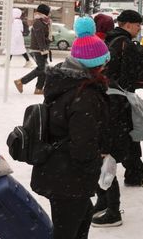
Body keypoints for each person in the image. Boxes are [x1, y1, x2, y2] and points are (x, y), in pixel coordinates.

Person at [30, 17, 110, 239]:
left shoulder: (63, 82)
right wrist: (98, 161)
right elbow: (82, 147)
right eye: (104, 62)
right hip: (68, 178)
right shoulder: (84, 96)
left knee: (81, 220)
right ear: (95, 65)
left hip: (57, 171)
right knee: (68, 231)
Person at [92, 10, 143, 228]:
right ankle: (112, 208)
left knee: (105, 153)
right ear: (128, 25)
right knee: (111, 153)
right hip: (118, 103)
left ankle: (103, 202)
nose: (139, 29)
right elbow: (130, 80)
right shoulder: (124, 45)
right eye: (137, 25)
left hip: (106, 101)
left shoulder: (108, 41)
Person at [14, 3, 52, 95]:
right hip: (37, 50)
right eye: (48, 12)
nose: (50, 14)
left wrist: (49, 41)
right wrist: (43, 49)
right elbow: (39, 38)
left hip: (42, 49)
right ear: (44, 12)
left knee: (44, 70)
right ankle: (21, 81)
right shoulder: (38, 22)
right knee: (42, 69)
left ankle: (38, 89)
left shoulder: (44, 22)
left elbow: (44, 36)